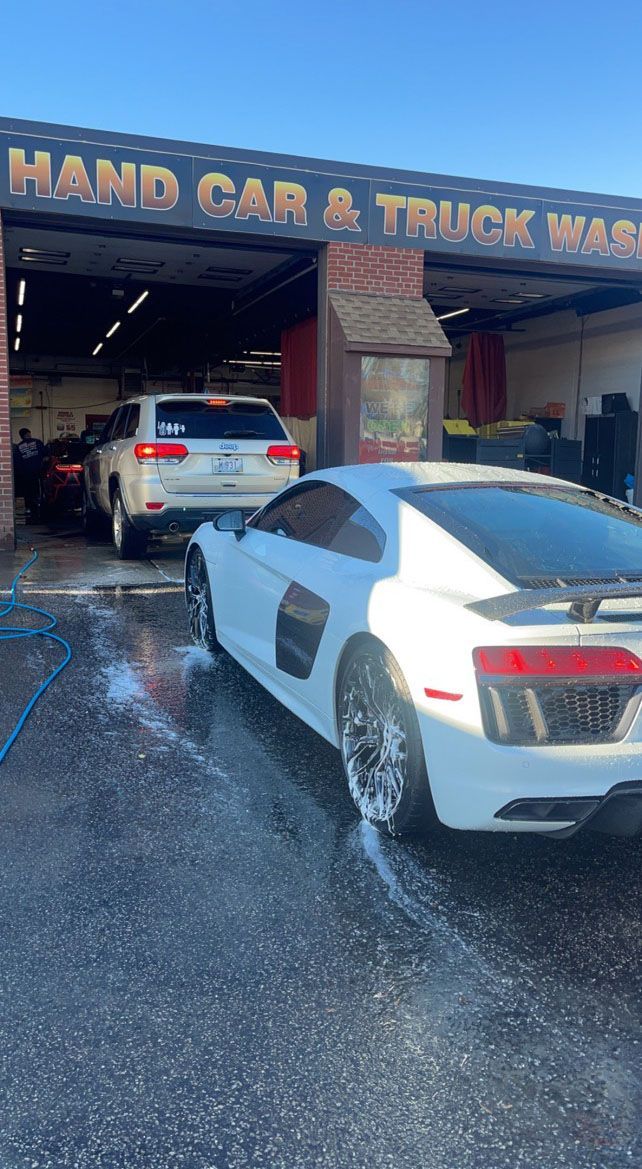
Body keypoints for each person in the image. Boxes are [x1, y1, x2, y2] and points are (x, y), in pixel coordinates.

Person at [13, 427, 46, 522]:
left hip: (26, 473)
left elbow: (17, 462)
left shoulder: (19, 447)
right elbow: (46, 454)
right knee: (38, 489)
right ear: (29, 433)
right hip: (38, 471)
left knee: (28, 491)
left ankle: (29, 508)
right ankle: (39, 505)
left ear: (21, 436)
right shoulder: (37, 442)